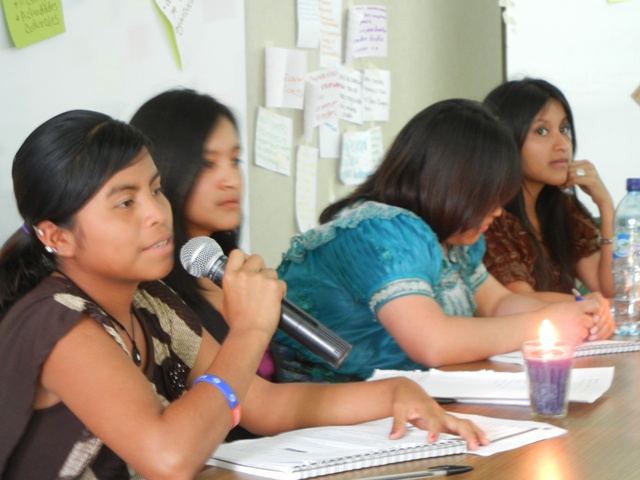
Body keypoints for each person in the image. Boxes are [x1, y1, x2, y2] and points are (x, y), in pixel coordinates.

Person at [0, 109, 488, 479]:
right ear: (56, 236)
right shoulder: (59, 323)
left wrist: (394, 393)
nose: (156, 213)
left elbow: (262, 405)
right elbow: (167, 457)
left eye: (156, 189)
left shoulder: (149, 302)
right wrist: (251, 330)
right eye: (126, 202)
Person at [273, 99, 614, 383]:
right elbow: (432, 342)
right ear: (452, 184)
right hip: (330, 412)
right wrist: (550, 323)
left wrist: (578, 312)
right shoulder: (380, 231)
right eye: (490, 197)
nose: (497, 212)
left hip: (404, 403)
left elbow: (496, 304)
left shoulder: (453, 241)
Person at [129, 88, 278, 381]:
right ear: (164, 169)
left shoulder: (231, 269)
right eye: (208, 164)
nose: (231, 180)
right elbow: (258, 405)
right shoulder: (152, 294)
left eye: (234, 161)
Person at [481, 78, 614, 302]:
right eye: (541, 131)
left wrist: (607, 208)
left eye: (564, 129)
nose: (562, 144)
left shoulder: (563, 209)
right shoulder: (488, 217)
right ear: (506, 138)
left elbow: (611, 290)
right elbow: (522, 302)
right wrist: (592, 305)